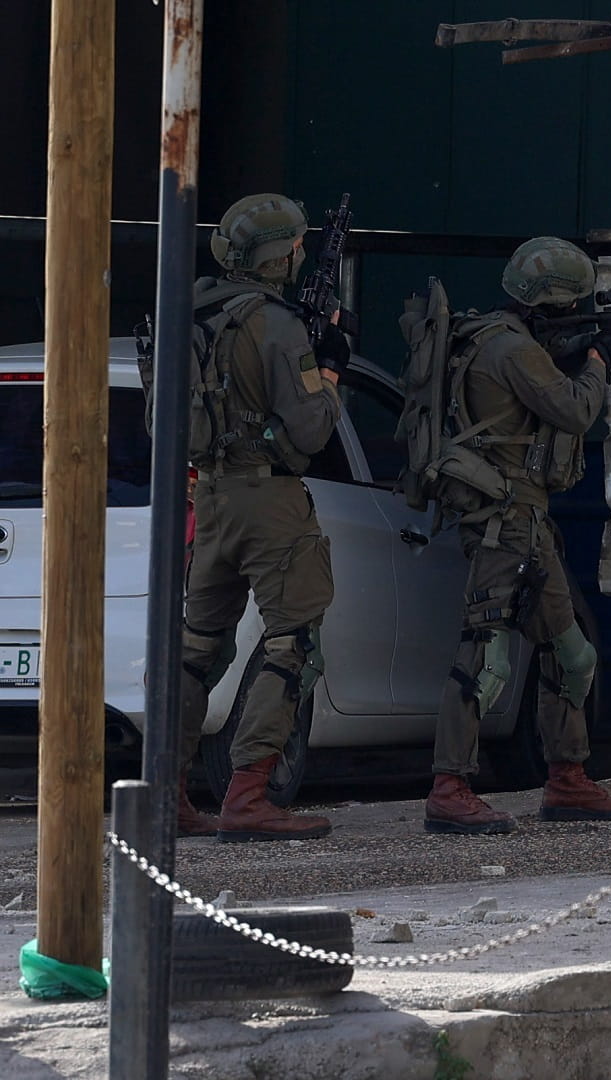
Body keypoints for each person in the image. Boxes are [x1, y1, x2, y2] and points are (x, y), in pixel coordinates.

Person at [423, 236, 611, 834]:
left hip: (528, 522)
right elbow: (576, 408)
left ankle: (567, 779)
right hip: (503, 521)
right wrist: (603, 359)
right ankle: (449, 786)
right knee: (486, 656)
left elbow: (571, 359)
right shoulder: (510, 351)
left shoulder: (508, 336)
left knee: (572, 655)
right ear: (550, 303)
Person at [176, 193, 351, 842]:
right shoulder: (276, 325)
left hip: (211, 496)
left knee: (199, 646)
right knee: (292, 639)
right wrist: (330, 367)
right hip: (269, 498)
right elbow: (309, 428)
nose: (302, 254)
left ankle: (167, 791)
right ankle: (249, 791)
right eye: (296, 247)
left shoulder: (191, 313)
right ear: (280, 258)